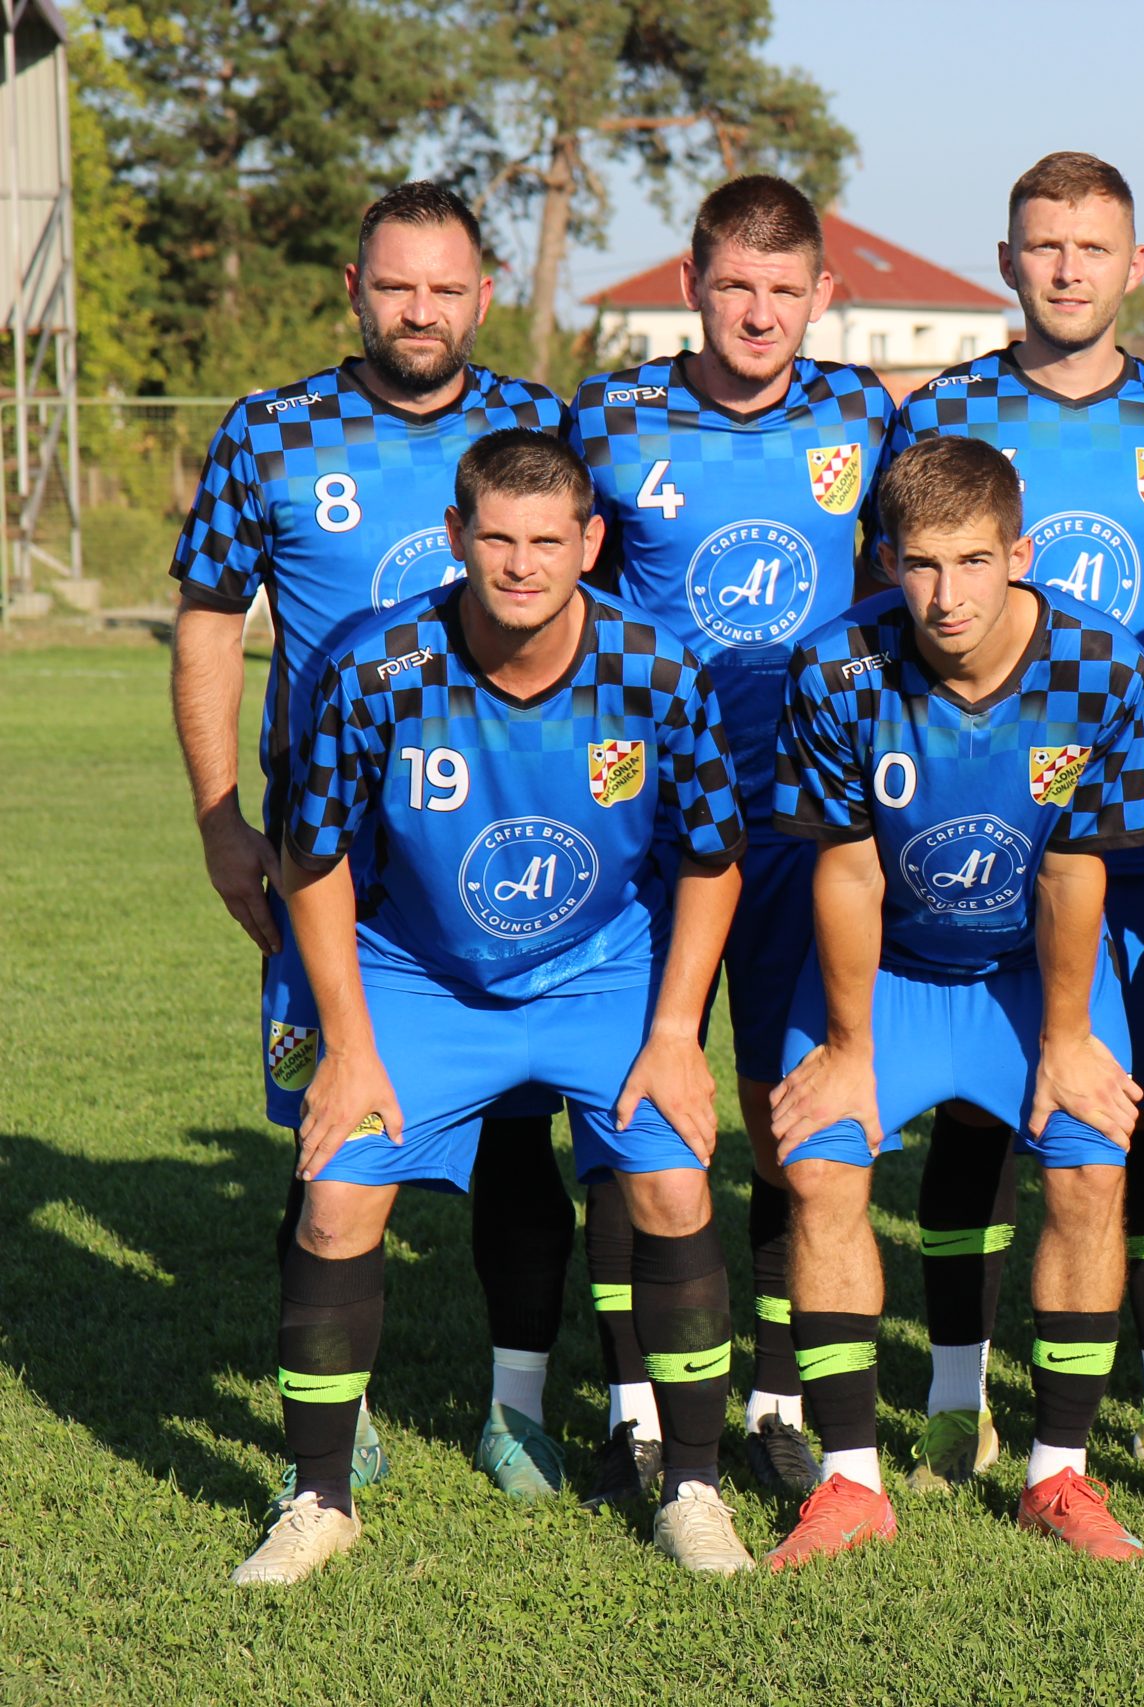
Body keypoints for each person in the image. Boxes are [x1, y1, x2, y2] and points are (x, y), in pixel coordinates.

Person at [231, 429, 751, 1584]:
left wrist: (676, 1035)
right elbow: (313, 862)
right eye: (499, 539)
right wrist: (349, 1048)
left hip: (601, 971)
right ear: (457, 537)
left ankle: (694, 1489)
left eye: (548, 541)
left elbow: (713, 860)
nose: (522, 565)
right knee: (333, 1206)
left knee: (672, 1187)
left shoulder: (659, 670)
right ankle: (318, 1499)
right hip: (418, 971)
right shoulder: (379, 667)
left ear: (591, 543)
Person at [170, 182, 578, 1506]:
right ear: (354, 289)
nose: (420, 310)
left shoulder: (540, 427)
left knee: (520, 1138)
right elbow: (207, 623)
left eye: (446, 287)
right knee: (328, 1135)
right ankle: (332, 1421)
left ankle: (518, 1409)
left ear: (484, 295)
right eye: (396, 285)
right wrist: (221, 819)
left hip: (503, 860)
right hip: (331, 867)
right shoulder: (272, 432)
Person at [885, 151, 1144, 1491]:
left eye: (1093, 248)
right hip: (973, 821)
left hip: (1141, 827)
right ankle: (955, 1393)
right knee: (975, 1113)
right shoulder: (945, 411)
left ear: (1134, 265)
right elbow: (901, 599)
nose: (1067, 269)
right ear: (1007, 261)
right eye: (1043, 246)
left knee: (1131, 1108)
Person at [761, 434, 1144, 1566]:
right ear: (887, 560)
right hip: (884, 975)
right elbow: (847, 872)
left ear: (1019, 555)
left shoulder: (1101, 664)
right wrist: (847, 1048)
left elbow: (1075, 873)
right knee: (820, 1168)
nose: (946, 596)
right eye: (922, 564)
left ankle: (1058, 1475)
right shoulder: (835, 667)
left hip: (1031, 978)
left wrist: (1069, 1039)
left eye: (974, 561)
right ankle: (850, 1484)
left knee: (1091, 1168)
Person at [566, 174, 897, 1502]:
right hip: (644, 829)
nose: (759, 313)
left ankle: (773, 1399)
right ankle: (635, 1406)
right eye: (734, 286)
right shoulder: (611, 417)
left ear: (822, 294)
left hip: (805, 830)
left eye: (784, 289)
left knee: (782, 1110)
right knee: (631, 1107)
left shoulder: (864, 415)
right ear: (691, 286)